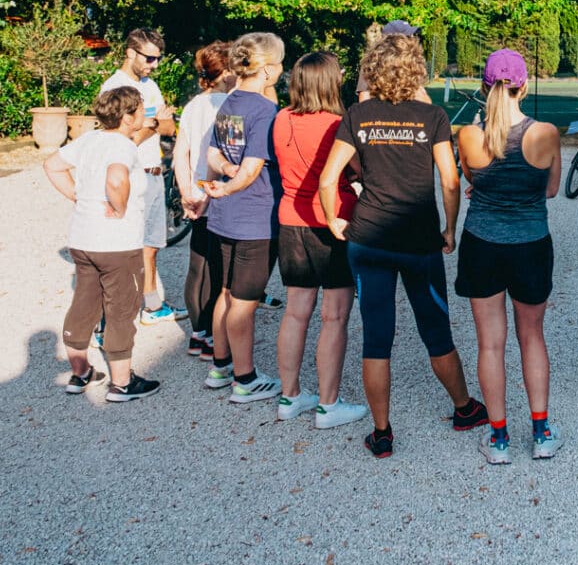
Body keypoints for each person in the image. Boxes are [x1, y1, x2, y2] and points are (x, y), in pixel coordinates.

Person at [318, 34, 487, 458]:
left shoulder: (358, 114)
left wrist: (333, 219)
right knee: (436, 329)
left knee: (377, 337)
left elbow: (327, 178)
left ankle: (382, 433)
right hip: (418, 239)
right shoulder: (432, 116)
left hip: (368, 237)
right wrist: (450, 228)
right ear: (416, 71)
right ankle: (464, 408)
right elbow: (450, 180)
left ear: (373, 70)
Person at [455, 49, 563, 463]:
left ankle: (499, 438)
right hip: (530, 243)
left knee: (490, 343)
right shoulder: (545, 132)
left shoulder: (469, 135)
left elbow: (473, 179)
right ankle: (541, 432)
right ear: (525, 86)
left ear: (485, 87)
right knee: (532, 336)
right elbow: (550, 189)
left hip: (482, 243)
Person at [271, 52, 369, 428]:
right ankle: (328, 403)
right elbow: (359, 169)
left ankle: (290, 394)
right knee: (335, 315)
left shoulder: (282, 118)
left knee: (296, 311)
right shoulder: (337, 123)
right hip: (333, 220)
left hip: (291, 217)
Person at [44, 86, 160, 401]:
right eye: (140, 109)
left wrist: (77, 196)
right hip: (116, 243)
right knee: (121, 309)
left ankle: (81, 373)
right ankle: (122, 382)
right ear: (127, 117)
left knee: (84, 304)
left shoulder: (89, 140)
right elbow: (116, 178)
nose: (144, 113)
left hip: (83, 238)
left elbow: (52, 165)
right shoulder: (122, 146)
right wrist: (119, 207)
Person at [203, 32, 285, 403]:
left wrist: (223, 177)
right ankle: (245, 378)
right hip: (254, 217)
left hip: (225, 216)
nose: (281, 70)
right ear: (267, 70)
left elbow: (213, 154)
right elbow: (252, 169)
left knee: (225, 292)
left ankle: (220, 366)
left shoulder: (229, 102)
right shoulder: (265, 110)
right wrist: (230, 186)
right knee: (245, 301)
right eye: (279, 63)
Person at [99, 28, 183, 326]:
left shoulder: (151, 85)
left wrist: (152, 124)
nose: (154, 64)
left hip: (155, 173)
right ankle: (107, 320)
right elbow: (123, 140)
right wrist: (155, 123)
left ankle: (152, 305)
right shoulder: (114, 87)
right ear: (130, 52)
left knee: (151, 246)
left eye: (158, 58)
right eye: (149, 58)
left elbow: (168, 128)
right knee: (123, 248)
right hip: (132, 176)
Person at [172, 41, 234, 361]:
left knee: (196, 267)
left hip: (195, 193)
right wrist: (208, 194)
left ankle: (198, 334)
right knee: (217, 270)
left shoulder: (193, 105)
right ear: (226, 72)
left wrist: (186, 192)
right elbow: (220, 155)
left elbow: (179, 153)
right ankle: (212, 334)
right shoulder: (230, 104)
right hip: (217, 193)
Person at [356, 19, 432, 104]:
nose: (412, 39)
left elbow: (423, 100)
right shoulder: (372, 63)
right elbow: (364, 97)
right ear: (392, 41)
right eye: (408, 36)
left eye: (412, 36)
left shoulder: (411, 63)